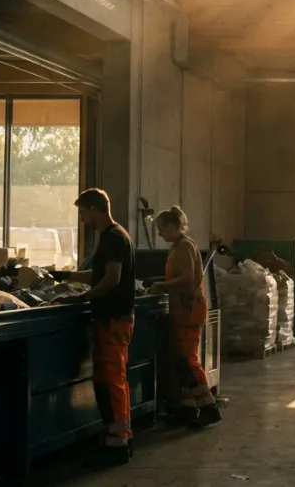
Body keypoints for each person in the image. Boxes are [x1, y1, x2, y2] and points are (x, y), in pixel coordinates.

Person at [55, 189, 137, 468]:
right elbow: (98, 274)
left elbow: (112, 279)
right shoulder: (115, 236)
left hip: (113, 318)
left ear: (95, 209)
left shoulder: (113, 238)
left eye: (84, 213)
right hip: (114, 318)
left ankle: (118, 443)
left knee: (112, 379)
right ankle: (120, 436)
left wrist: (83, 296)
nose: (83, 219)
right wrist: (61, 277)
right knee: (111, 378)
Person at [148, 206, 221, 428]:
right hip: (181, 309)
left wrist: (162, 285)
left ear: (172, 226)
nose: (160, 234)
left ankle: (209, 408)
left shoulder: (185, 247)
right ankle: (188, 410)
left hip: (189, 309)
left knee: (188, 360)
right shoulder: (176, 247)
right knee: (180, 360)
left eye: (161, 229)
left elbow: (188, 278)